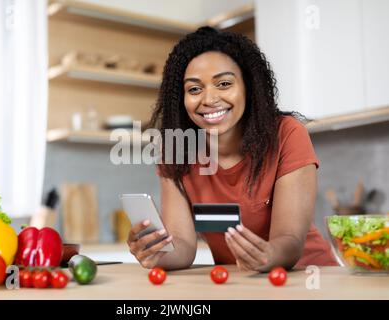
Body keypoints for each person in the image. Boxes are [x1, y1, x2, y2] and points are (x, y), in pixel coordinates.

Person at [127, 26, 338, 272]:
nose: (209, 99)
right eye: (194, 89)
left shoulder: (287, 134)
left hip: (307, 277)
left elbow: (290, 241)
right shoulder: (176, 149)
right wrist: (156, 251)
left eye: (224, 83)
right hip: (239, 284)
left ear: (248, 86)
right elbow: (183, 247)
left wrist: (268, 254)